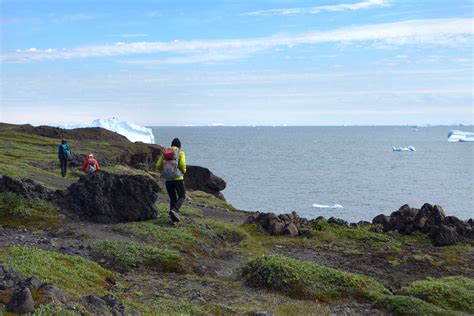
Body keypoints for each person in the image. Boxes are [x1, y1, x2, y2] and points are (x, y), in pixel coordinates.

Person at [156, 138, 186, 223]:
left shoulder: (165, 153)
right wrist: (183, 171)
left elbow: (158, 165)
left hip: (168, 179)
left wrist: (164, 171)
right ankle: (175, 210)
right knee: (182, 196)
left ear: (171, 144)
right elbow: (183, 164)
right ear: (179, 146)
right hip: (178, 178)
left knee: (173, 197)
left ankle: (173, 219)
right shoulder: (180, 152)